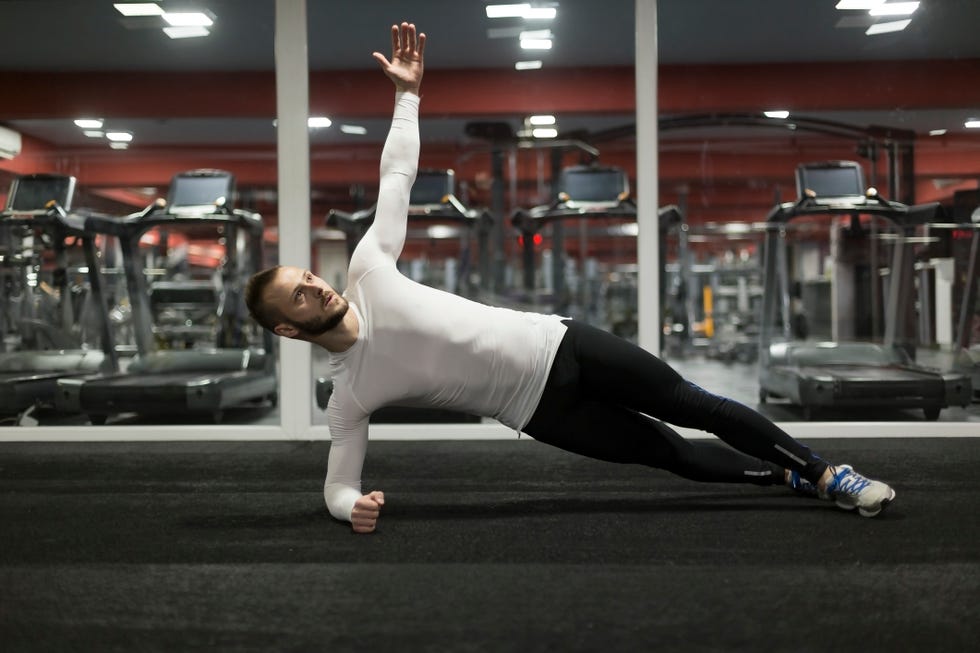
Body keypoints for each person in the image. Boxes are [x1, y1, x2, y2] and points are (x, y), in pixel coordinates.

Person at [245, 22, 896, 534]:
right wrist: (347, 506)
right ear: (286, 326)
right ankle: (790, 481)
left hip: (560, 343)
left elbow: (396, 177)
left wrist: (408, 96)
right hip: (541, 410)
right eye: (299, 294)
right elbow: (338, 481)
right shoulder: (348, 396)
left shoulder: (366, 268)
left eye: (307, 275)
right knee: (672, 453)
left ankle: (826, 471)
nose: (315, 286)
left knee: (696, 405)